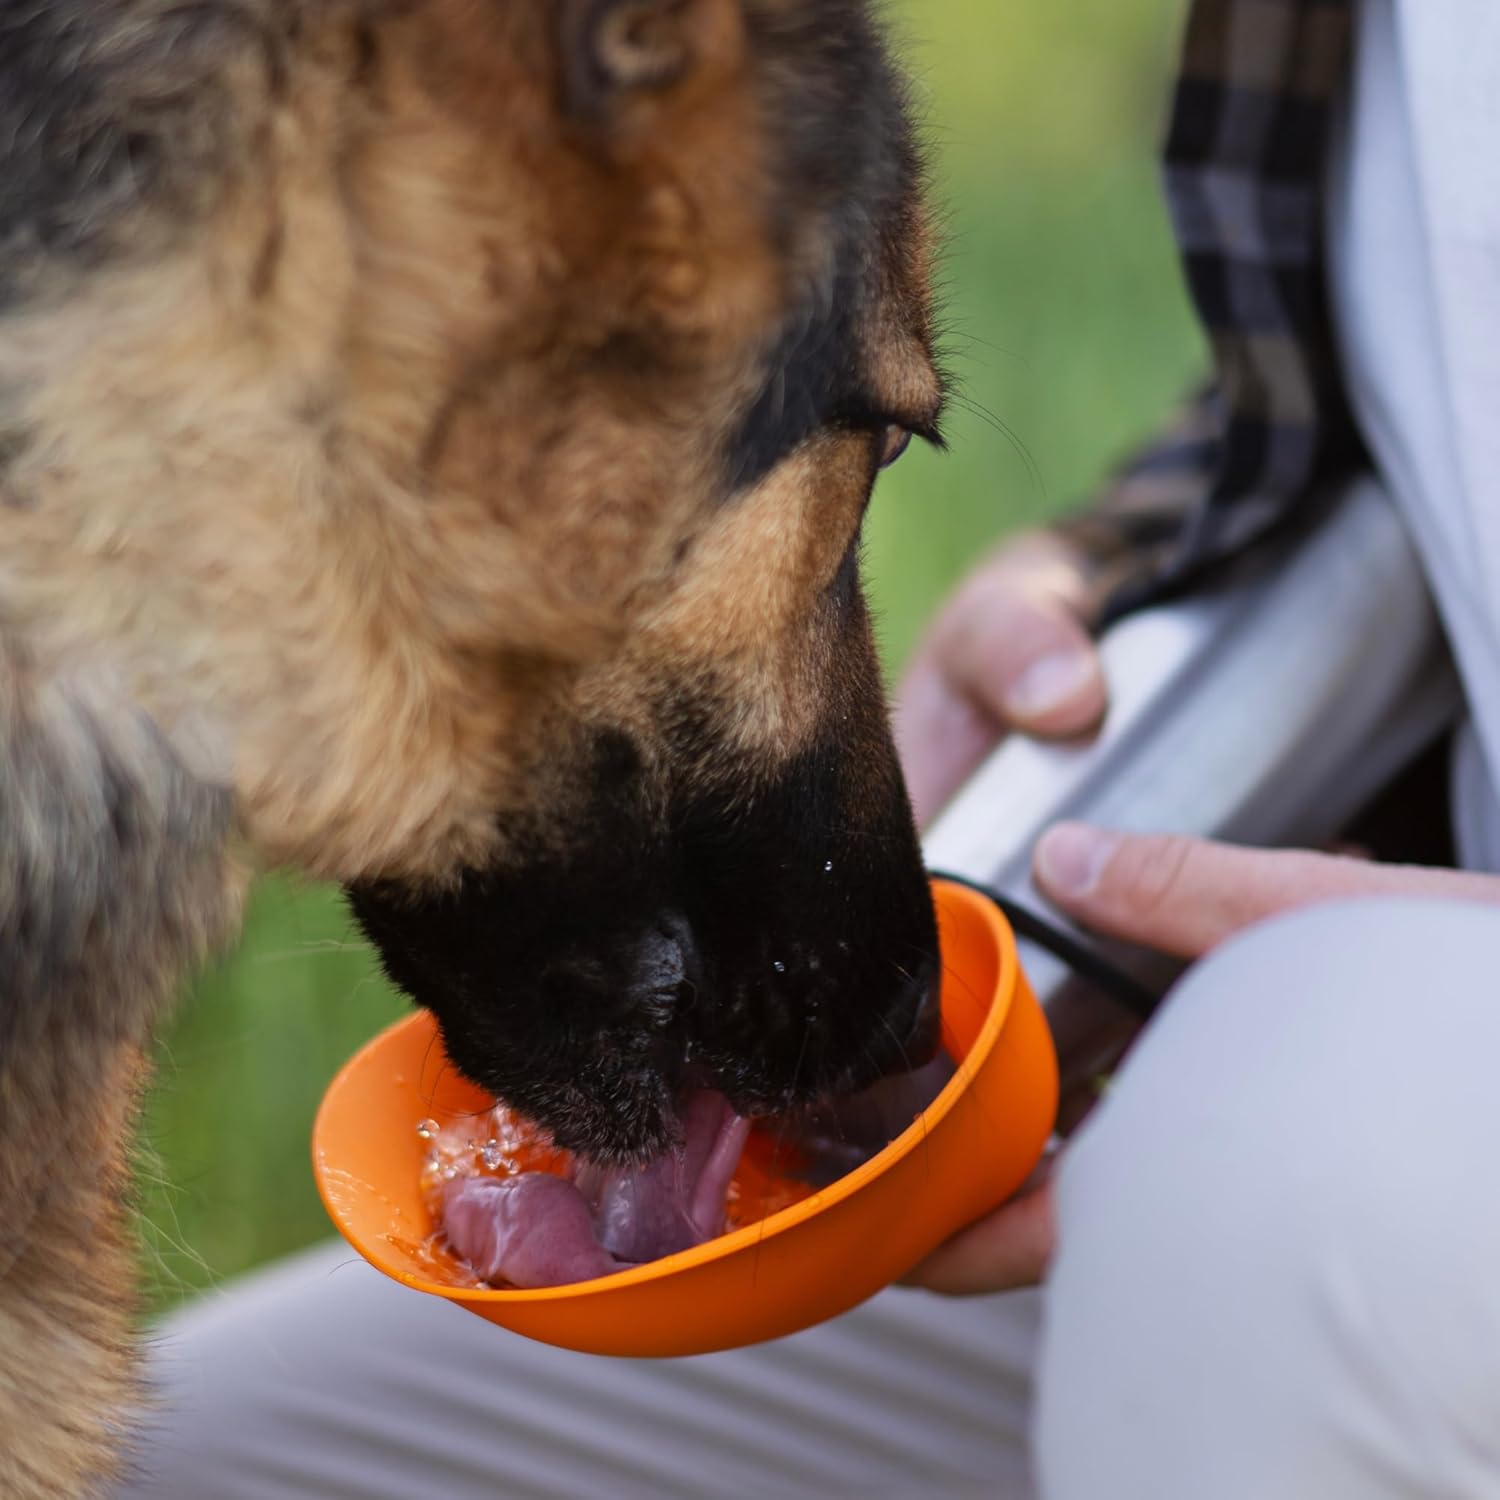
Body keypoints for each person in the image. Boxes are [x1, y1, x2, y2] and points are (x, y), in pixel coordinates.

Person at [117, 1, 1500, 1496]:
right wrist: (1120, 578)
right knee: (198, 1462)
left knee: (1294, 1099)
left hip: (1337, 1133)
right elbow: (1419, 374)